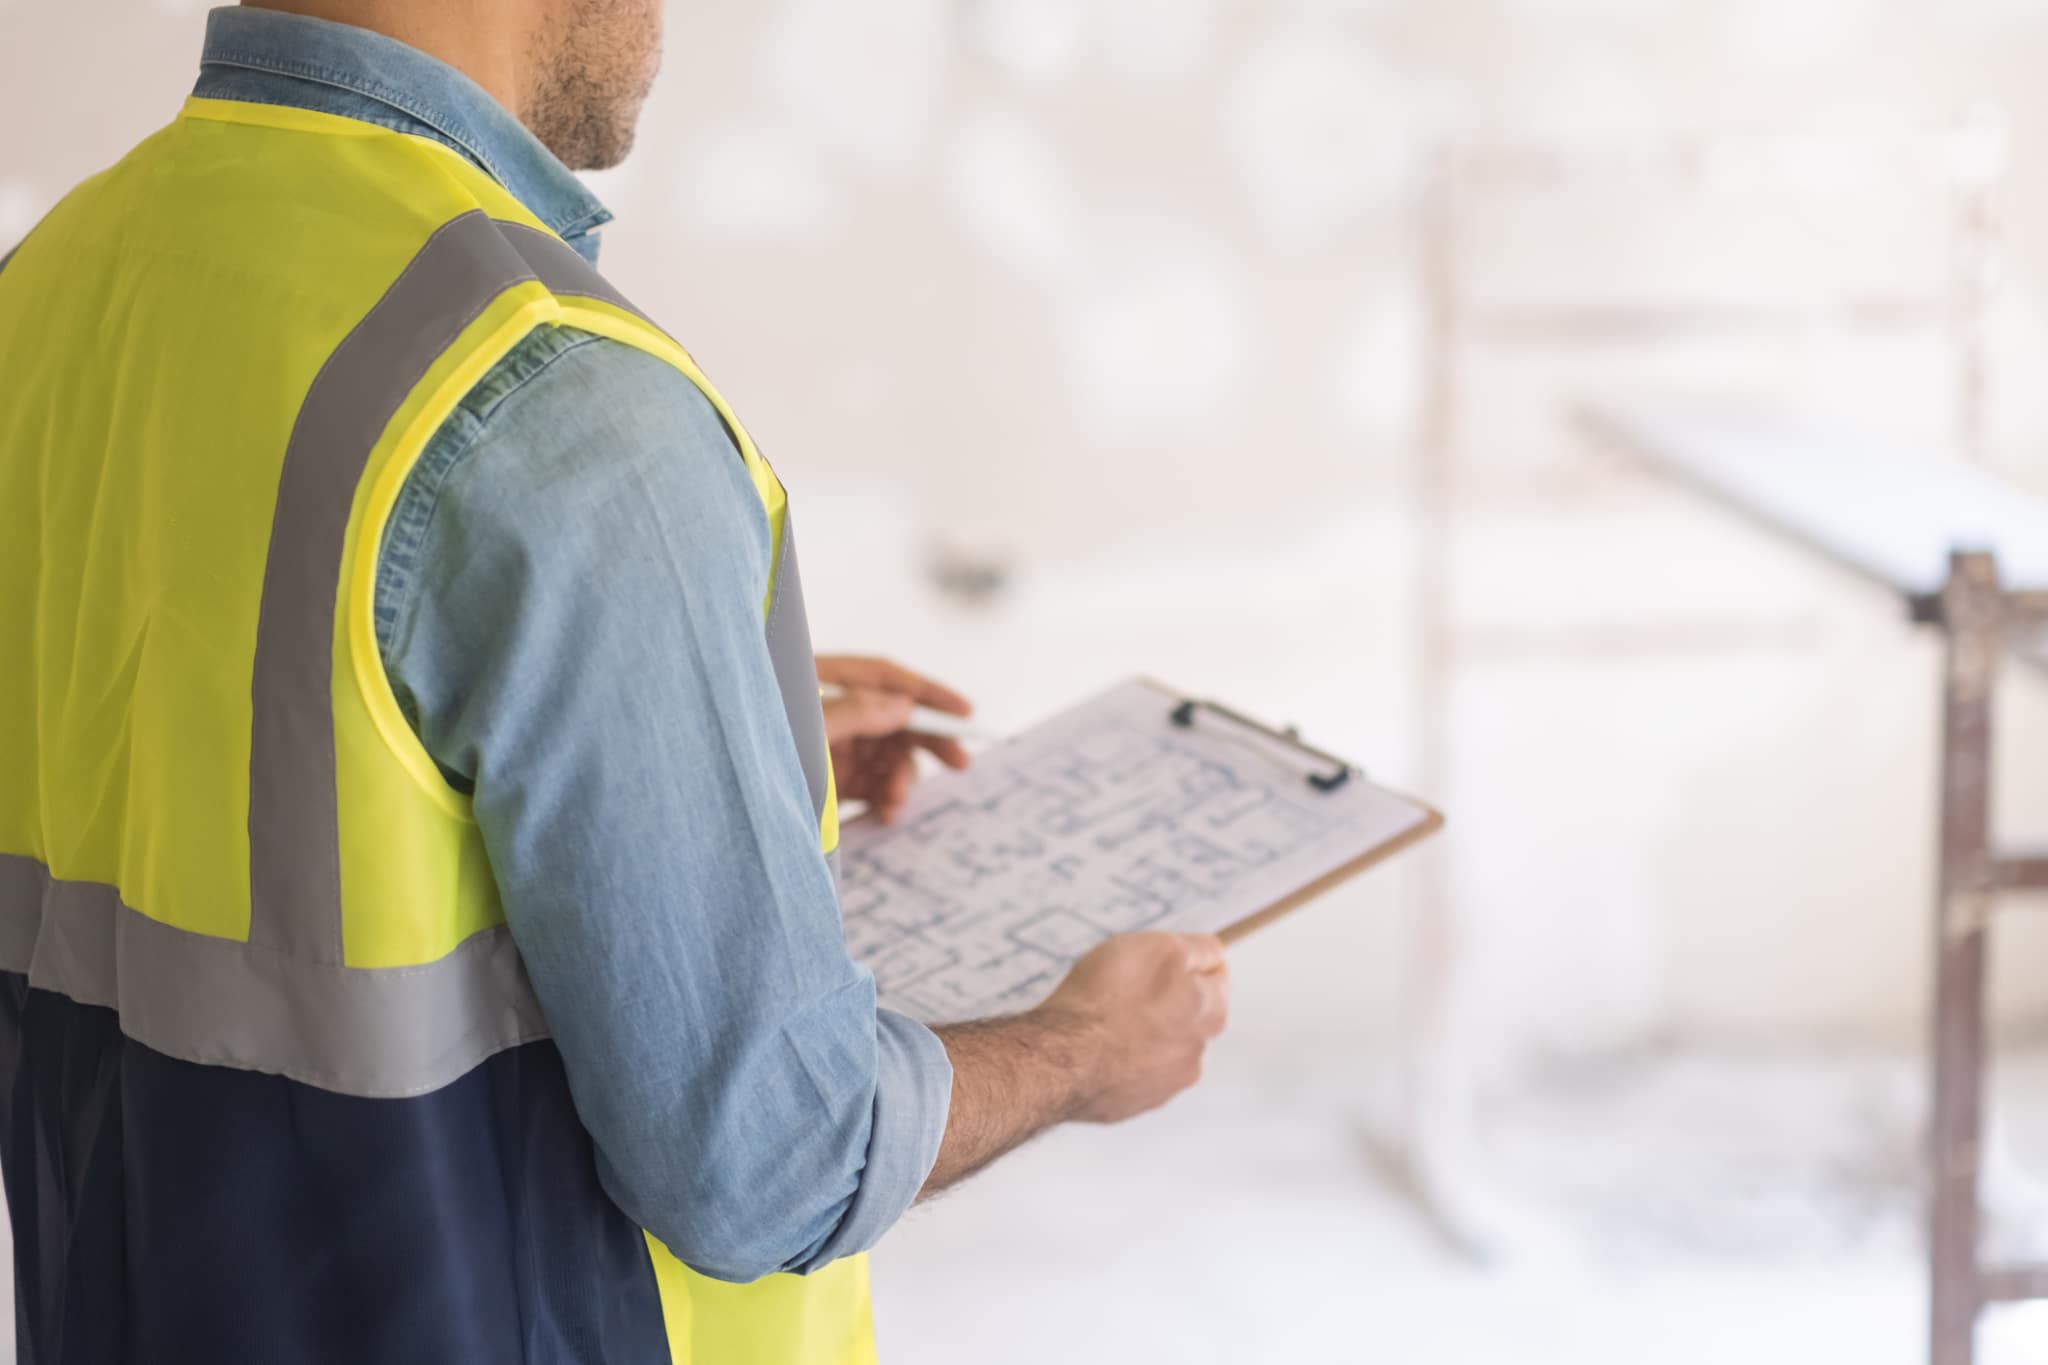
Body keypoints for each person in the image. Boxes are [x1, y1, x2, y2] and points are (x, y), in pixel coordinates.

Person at [0, 2, 1230, 1362]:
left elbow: (194, 693)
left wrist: (635, 707)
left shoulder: (53, 284)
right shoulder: (558, 403)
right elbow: (768, 1157)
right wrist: (1081, 1049)